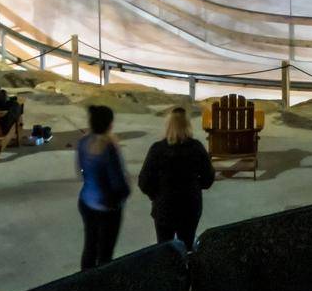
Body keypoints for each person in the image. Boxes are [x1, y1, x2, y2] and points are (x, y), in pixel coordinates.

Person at [138, 106, 215, 248]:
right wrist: (197, 185)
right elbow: (208, 178)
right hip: (189, 207)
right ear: (188, 125)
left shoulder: (157, 149)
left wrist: (155, 194)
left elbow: (144, 181)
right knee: (187, 244)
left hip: (164, 207)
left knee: (164, 247)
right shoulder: (196, 148)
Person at [76, 104, 131, 269]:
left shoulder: (83, 142)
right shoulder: (109, 148)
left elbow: (81, 172)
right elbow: (118, 184)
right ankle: (101, 286)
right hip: (107, 206)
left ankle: (84, 281)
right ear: (109, 124)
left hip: (86, 201)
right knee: (105, 252)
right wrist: (124, 193)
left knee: (90, 245)